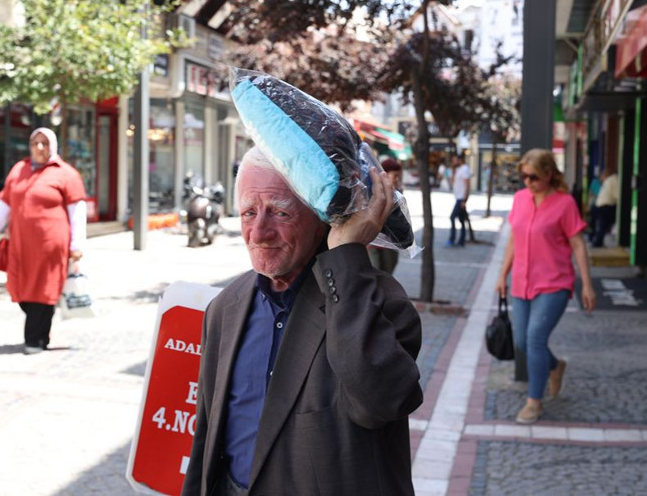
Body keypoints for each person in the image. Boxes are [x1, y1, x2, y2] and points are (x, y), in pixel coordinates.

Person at [182, 146, 422, 496]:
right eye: (249, 212)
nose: (258, 233)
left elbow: (380, 403)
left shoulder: (380, 302)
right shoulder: (225, 308)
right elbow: (206, 441)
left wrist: (347, 260)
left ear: (324, 218)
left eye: (280, 213)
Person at [494, 148, 596, 425]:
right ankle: (555, 366)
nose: (528, 182)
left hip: (554, 283)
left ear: (549, 174)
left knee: (535, 338)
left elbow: (577, 244)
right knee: (522, 342)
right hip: (522, 282)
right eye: (523, 177)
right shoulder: (520, 200)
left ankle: (534, 402)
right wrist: (502, 275)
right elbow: (514, 240)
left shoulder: (565, 204)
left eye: (534, 177)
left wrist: (586, 284)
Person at [0, 127, 87, 355]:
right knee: (20, 287)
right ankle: (38, 333)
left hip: (51, 246)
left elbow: (77, 212)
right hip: (20, 244)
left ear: (53, 146)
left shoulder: (66, 174)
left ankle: (35, 340)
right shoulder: (19, 170)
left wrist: (77, 246)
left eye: (44, 143)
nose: (39, 148)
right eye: (35, 143)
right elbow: (4, 204)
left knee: (44, 290)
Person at [367, 157, 403, 274]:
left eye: (399, 176)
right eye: (395, 176)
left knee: (388, 276)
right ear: (385, 176)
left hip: (390, 244)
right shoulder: (374, 192)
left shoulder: (398, 194)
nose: (397, 180)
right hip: (373, 244)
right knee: (376, 275)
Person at [447, 154, 472, 246]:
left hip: (461, 199)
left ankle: (452, 239)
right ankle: (461, 241)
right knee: (461, 220)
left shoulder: (465, 169)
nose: (453, 162)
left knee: (452, 217)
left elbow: (467, 186)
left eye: (455, 160)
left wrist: (464, 200)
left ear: (459, 160)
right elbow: (452, 182)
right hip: (457, 197)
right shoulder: (458, 170)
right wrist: (453, 170)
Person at [592, 168, 618, 247]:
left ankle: (597, 241)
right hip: (606, 206)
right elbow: (617, 195)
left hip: (600, 205)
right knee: (603, 225)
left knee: (602, 225)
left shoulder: (609, 180)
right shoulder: (614, 180)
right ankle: (597, 243)